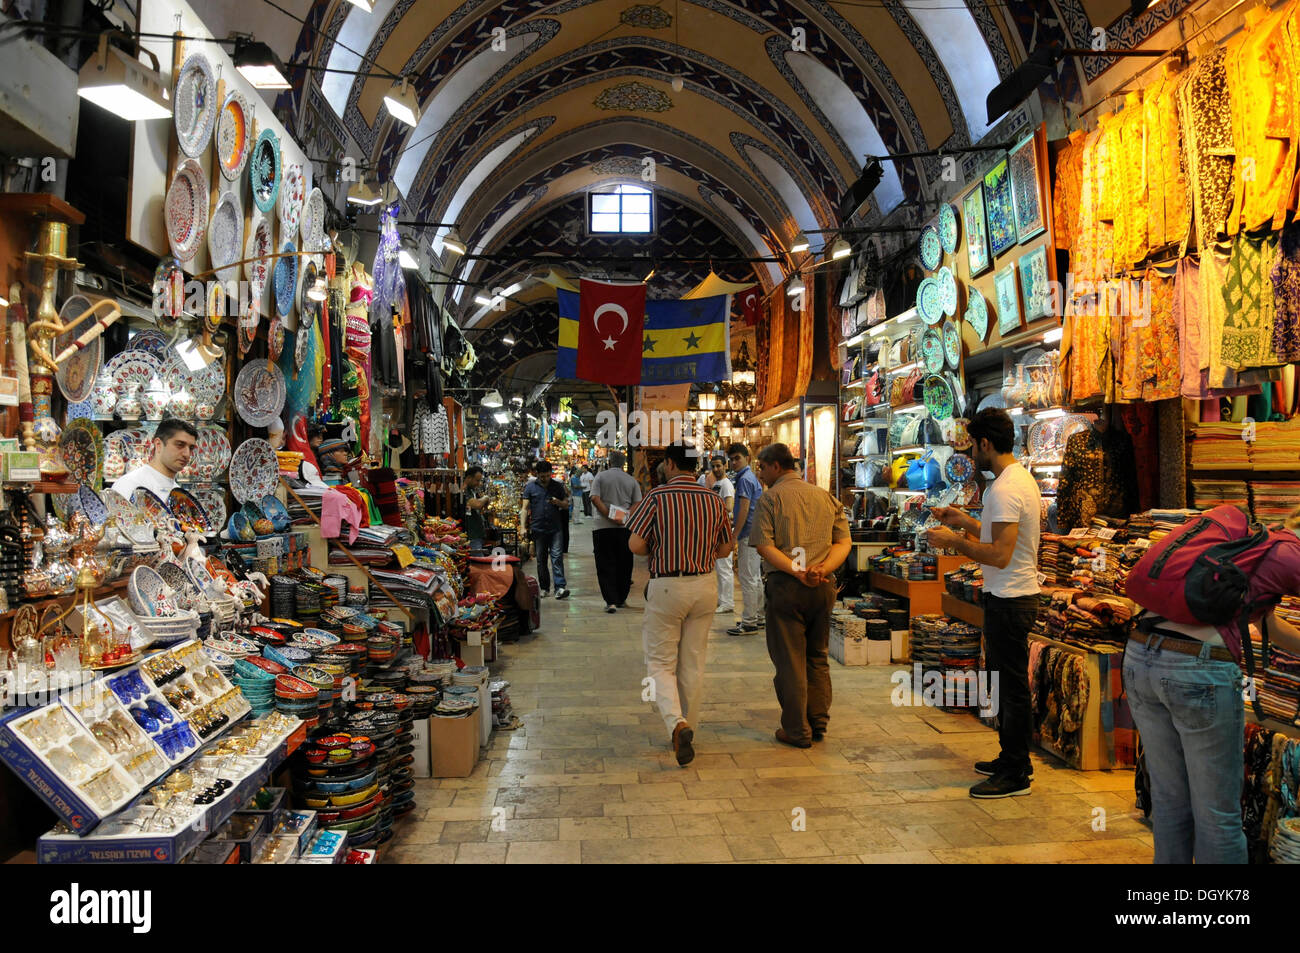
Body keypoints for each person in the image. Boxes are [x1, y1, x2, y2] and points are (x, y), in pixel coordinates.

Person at [1120, 503, 1300, 863]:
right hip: (1196, 671)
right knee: (1218, 815)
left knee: (1171, 803)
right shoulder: (1289, 555)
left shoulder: (1251, 547)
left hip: (1141, 657)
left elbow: (1268, 626)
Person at [928, 408, 1041, 799]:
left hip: (1011, 598)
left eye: (973, 444)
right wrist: (963, 520)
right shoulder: (1012, 481)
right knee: (1004, 682)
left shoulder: (1008, 488)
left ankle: (1015, 772)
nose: (971, 452)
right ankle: (1013, 758)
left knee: (1010, 688)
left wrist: (953, 542)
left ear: (986, 443)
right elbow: (996, 535)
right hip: (1006, 596)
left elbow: (999, 555)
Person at [626, 443, 734, 766]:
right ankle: (689, 726)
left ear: (671, 464)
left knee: (660, 661)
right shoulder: (714, 499)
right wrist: (699, 553)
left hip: (667, 587)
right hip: (704, 585)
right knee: (693, 660)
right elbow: (726, 548)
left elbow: (635, 545)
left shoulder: (657, 498)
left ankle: (677, 723)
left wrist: (664, 547)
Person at [750, 443, 851, 748]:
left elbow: (764, 546)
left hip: (787, 587)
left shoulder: (770, 499)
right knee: (817, 655)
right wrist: (821, 569)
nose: (760, 473)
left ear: (776, 467)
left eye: (762, 467)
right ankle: (817, 721)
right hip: (822, 587)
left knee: (791, 659)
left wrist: (797, 571)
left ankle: (797, 729)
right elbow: (844, 543)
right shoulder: (825, 497)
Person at [589, 450, 643, 613]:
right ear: (624, 463)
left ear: (609, 462)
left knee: (605, 563)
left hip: (602, 527)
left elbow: (594, 498)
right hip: (624, 529)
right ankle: (621, 598)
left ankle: (610, 600)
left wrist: (608, 514)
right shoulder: (631, 480)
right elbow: (638, 502)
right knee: (624, 563)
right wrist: (624, 516)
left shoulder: (600, 477)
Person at [726, 443, 766, 636]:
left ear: (747, 458)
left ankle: (750, 622)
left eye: (737, 458)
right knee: (754, 577)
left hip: (747, 533)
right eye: (731, 459)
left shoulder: (745, 480)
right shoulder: (750, 477)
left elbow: (744, 508)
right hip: (755, 532)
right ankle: (758, 616)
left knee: (748, 577)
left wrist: (735, 535)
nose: (734, 462)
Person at [112, 418, 196, 501]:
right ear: (158, 444)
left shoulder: (179, 493)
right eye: (180, 445)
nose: (187, 454)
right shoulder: (130, 484)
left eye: (191, 448)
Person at [521, 460, 570, 599]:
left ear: (551, 474)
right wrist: (523, 527)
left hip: (555, 528)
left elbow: (566, 504)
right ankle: (544, 587)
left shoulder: (557, 486)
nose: (545, 479)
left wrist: (558, 502)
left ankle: (560, 587)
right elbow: (524, 508)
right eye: (542, 476)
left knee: (557, 557)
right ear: (537, 474)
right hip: (538, 528)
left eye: (547, 475)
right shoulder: (530, 487)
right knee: (541, 559)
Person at [700, 456, 736, 613]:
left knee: (724, 567)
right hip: (717, 529)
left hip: (724, 529)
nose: (716, 469)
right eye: (713, 466)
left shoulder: (726, 485)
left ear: (725, 466)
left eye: (718, 466)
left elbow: (729, 507)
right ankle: (722, 600)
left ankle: (727, 602)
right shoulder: (717, 483)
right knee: (720, 568)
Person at [463, 466, 490, 550]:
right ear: (468, 478)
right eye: (477, 480)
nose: (479, 483)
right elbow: (477, 504)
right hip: (471, 536)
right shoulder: (464, 491)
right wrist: (485, 498)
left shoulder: (472, 491)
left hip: (476, 534)